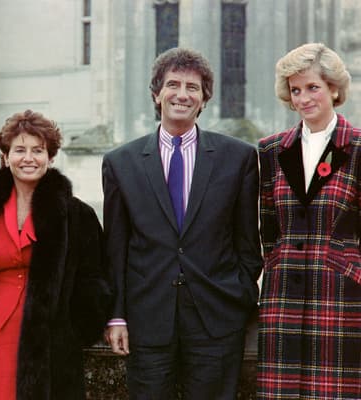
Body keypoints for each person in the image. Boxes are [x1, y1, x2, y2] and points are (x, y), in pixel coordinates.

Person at [102, 47, 262, 399]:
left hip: (217, 321)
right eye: (173, 84)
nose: (182, 94)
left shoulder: (238, 158)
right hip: (147, 321)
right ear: (156, 94)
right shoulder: (121, 163)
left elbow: (249, 244)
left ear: (204, 99)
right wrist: (116, 316)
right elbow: (115, 247)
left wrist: (238, 297)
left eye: (193, 87)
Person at [0, 109, 110, 399]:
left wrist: (75, 331)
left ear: (51, 158)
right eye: (20, 150)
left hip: (51, 338)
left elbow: (94, 279)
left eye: (38, 150)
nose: (29, 158)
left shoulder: (78, 215)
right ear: (5, 156)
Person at [257, 43, 361, 399]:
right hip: (282, 298)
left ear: (333, 88)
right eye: (295, 90)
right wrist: (275, 264)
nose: (302, 98)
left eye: (312, 87)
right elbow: (268, 228)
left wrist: (348, 270)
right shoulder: (272, 150)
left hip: (341, 298)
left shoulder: (357, 148)